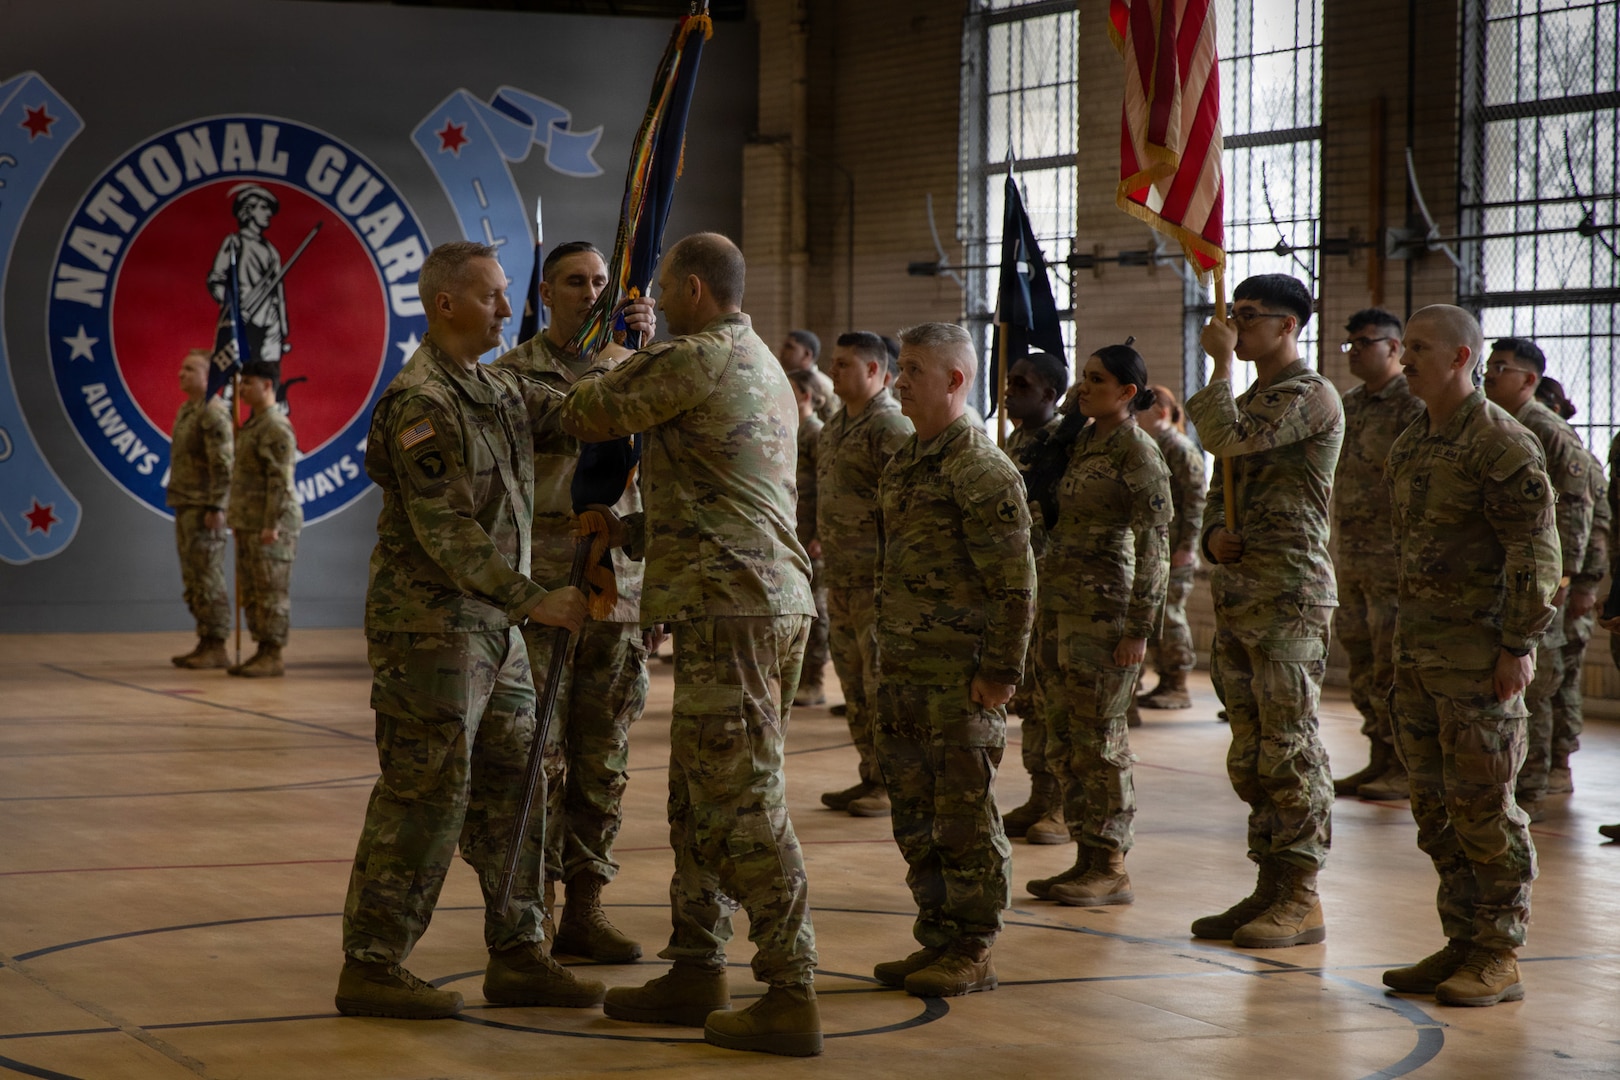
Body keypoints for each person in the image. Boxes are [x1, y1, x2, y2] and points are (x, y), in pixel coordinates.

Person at [560, 233, 822, 1057]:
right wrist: (629, 528)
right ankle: (697, 965)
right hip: (745, 598)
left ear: (697, 291)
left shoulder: (697, 356)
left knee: (743, 799)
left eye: (663, 285)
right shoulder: (747, 359)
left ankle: (790, 988)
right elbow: (718, 487)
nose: (654, 297)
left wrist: (610, 347)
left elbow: (586, 411)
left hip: (733, 607)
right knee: (698, 793)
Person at [336, 241, 598, 1021]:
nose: (504, 305)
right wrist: (532, 597)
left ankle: (520, 951)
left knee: (521, 783)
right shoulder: (423, 401)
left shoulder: (496, 386)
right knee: (427, 791)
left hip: (496, 631)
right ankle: (373, 962)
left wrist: (630, 348)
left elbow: (584, 412)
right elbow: (446, 532)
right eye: (490, 295)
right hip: (433, 630)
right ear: (446, 303)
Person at [1381, 304, 1558, 1007]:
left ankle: (1499, 953)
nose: (1406, 358)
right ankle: (1460, 939)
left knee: (1486, 810)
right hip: (1419, 656)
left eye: (1419, 347)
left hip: (1479, 659)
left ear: (1460, 358)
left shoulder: (1501, 443)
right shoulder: (1413, 441)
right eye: (1406, 346)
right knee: (1436, 811)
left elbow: (1536, 555)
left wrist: (1517, 644)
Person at [492, 240, 649, 964]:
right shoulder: (508, 376)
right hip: (544, 584)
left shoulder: (639, 370)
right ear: (545, 293)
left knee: (603, 753)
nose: (590, 293)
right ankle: (533, 911)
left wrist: (643, 354)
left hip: (612, 581)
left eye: (598, 282)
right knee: (536, 754)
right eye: (574, 282)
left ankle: (586, 906)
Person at [869, 321, 1034, 998]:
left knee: (963, 817)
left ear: (955, 380)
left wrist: (999, 671)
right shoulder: (909, 459)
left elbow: (1016, 583)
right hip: (905, 670)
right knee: (916, 815)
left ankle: (973, 945)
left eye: (912, 370)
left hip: (959, 680)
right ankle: (937, 934)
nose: (899, 380)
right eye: (899, 368)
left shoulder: (981, 468)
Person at [1186, 273, 1343, 949]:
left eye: (1249, 317)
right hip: (1243, 592)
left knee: (1290, 748)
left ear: (1288, 327)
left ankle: (1302, 896)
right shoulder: (1249, 397)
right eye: (1234, 313)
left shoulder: (1309, 395)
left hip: (1289, 596)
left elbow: (1229, 438)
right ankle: (1270, 883)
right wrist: (1210, 541)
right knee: (1252, 753)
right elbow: (1221, 482)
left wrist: (1217, 362)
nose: (1235, 324)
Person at [1023, 343, 1171, 908]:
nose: (1083, 388)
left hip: (1106, 612)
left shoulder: (1138, 453)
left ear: (1128, 393)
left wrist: (1139, 628)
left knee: (1102, 742)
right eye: (1082, 379)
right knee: (1067, 736)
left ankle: (1111, 863)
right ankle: (1086, 857)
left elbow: (1155, 546)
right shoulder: (1080, 440)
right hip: (1062, 607)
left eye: (1096, 380)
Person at [1482, 337, 1594, 821]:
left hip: (1544, 583)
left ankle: (1534, 784)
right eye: (1488, 366)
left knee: (1540, 683)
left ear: (1529, 380)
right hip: (1507, 579)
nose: (1489, 375)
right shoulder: (1496, 425)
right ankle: (1516, 780)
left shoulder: (1547, 430)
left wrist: (1567, 581)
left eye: (1501, 368)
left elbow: (1576, 511)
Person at [814, 330, 915, 817]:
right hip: (841, 578)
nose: (833, 371)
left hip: (879, 582)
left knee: (882, 691)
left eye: (844, 363)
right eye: (833, 363)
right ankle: (870, 775)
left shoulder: (890, 428)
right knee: (854, 688)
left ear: (875, 371)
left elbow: (908, 509)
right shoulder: (835, 426)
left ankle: (892, 784)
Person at [1328, 309, 1425, 801]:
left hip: (1393, 562)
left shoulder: (1414, 406)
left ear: (1393, 347)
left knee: (1393, 669)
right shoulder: (1348, 404)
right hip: (1352, 558)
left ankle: (1404, 767)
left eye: (1363, 342)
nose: (1355, 352)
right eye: (1350, 344)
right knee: (1363, 666)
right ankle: (1378, 759)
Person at [999, 351, 1070, 844]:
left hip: (1057, 588)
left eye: (1020, 384)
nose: (1008, 390)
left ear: (1049, 394)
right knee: (1032, 703)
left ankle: (1064, 806)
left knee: (1059, 705)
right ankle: (1041, 795)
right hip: (1023, 592)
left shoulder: (1067, 444)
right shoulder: (1014, 441)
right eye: (1008, 381)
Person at [225, 360, 302, 678]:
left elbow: (280, 481)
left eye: (248, 383)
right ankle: (262, 649)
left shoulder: (275, 426)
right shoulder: (253, 425)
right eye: (241, 384)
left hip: (271, 524)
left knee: (271, 590)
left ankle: (272, 654)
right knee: (255, 590)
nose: (241, 389)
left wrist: (272, 524)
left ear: (268, 386)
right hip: (250, 522)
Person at [1136, 383, 1208, 713]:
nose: (1135, 416)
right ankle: (1162, 681)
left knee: (1170, 616)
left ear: (1162, 413)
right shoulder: (1147, 446)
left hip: (1175, 549)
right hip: (1153, 550)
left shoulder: (1178, 448)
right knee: (1151, 616)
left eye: (1142, 410)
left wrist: (1188, 547)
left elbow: (1196, 500)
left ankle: (1177, 684)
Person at [167, 348, 234, 669]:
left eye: (190, 369)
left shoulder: (213, 412)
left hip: (204, 507)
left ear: (209, 377)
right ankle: (205, 639)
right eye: (182, 368)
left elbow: (223, 465)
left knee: (208, 575)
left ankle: (217, 643)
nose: (182, 373)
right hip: (186, 503)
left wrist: (217, 505)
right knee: (194, 576)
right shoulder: (188, 410)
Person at [786, 369, 831, 707]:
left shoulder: (815, 433)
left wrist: (819, 532)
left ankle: (814, 680)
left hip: (810, 535)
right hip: (792, 534)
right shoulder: (789, 429)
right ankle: (798, 676)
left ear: (805, 395)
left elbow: (828, 486)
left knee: (816, 608)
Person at [208, 183, 287, 367]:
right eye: (263, 207)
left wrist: (282, 327)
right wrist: (233, 310)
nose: (269, 214)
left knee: (268, 374)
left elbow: (279, 293)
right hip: (244, 319)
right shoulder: (235, 242)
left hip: (270, 321)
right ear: (249, 210)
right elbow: (216, 280)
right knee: (236, 376)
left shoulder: (272, 252)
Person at [779, 328, 838, 422]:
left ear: (806, 354)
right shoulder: (784, 381)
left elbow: (831, 423)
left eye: (789, 347)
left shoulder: (823, 385)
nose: (782, 351)